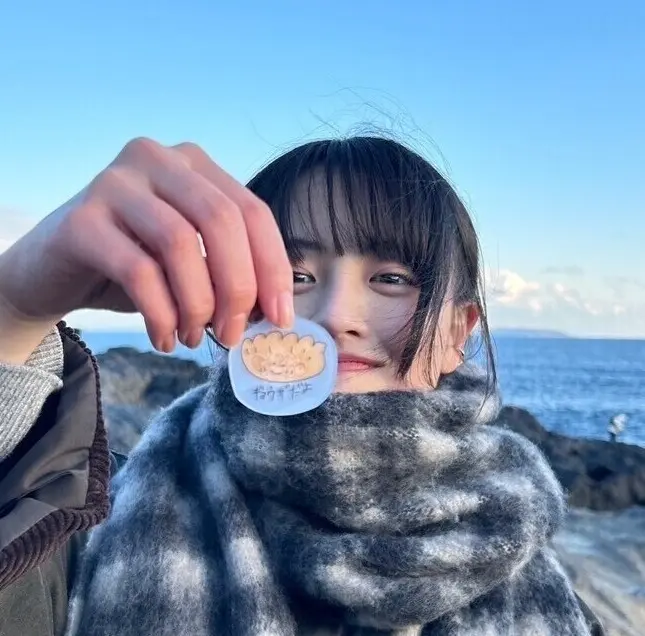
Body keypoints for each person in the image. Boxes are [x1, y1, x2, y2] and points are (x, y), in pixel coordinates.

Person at [0, 136, 604, 635]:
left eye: (392, 278)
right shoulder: (78, 521)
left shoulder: (526, 560)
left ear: (458, 331)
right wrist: (15, 306)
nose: (335, 314)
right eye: (293, 274)